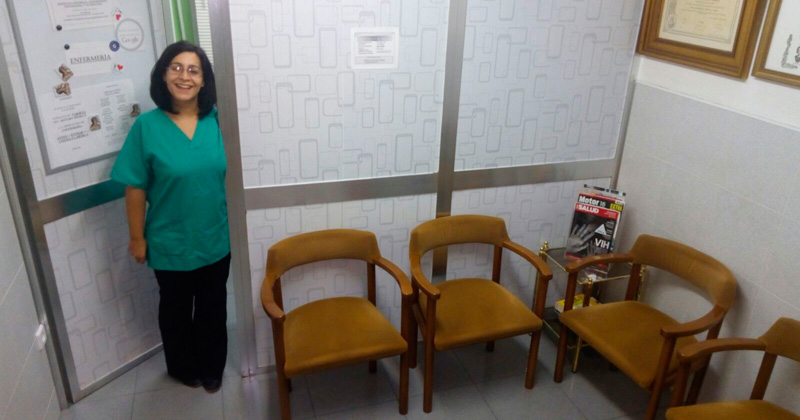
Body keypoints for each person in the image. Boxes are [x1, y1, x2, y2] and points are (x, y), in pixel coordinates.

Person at [110, 41, 230, 393]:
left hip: (214, 237)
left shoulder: (217, 121)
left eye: (194, 70)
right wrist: (137, 238)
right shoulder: (146, 127)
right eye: (176, 67)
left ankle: (212, 367)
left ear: (204, 80)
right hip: (169, 241)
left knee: (212, 308)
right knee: (175, 312)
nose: (184, 76)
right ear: (163, 75)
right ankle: (183, 367)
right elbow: (135, 186)